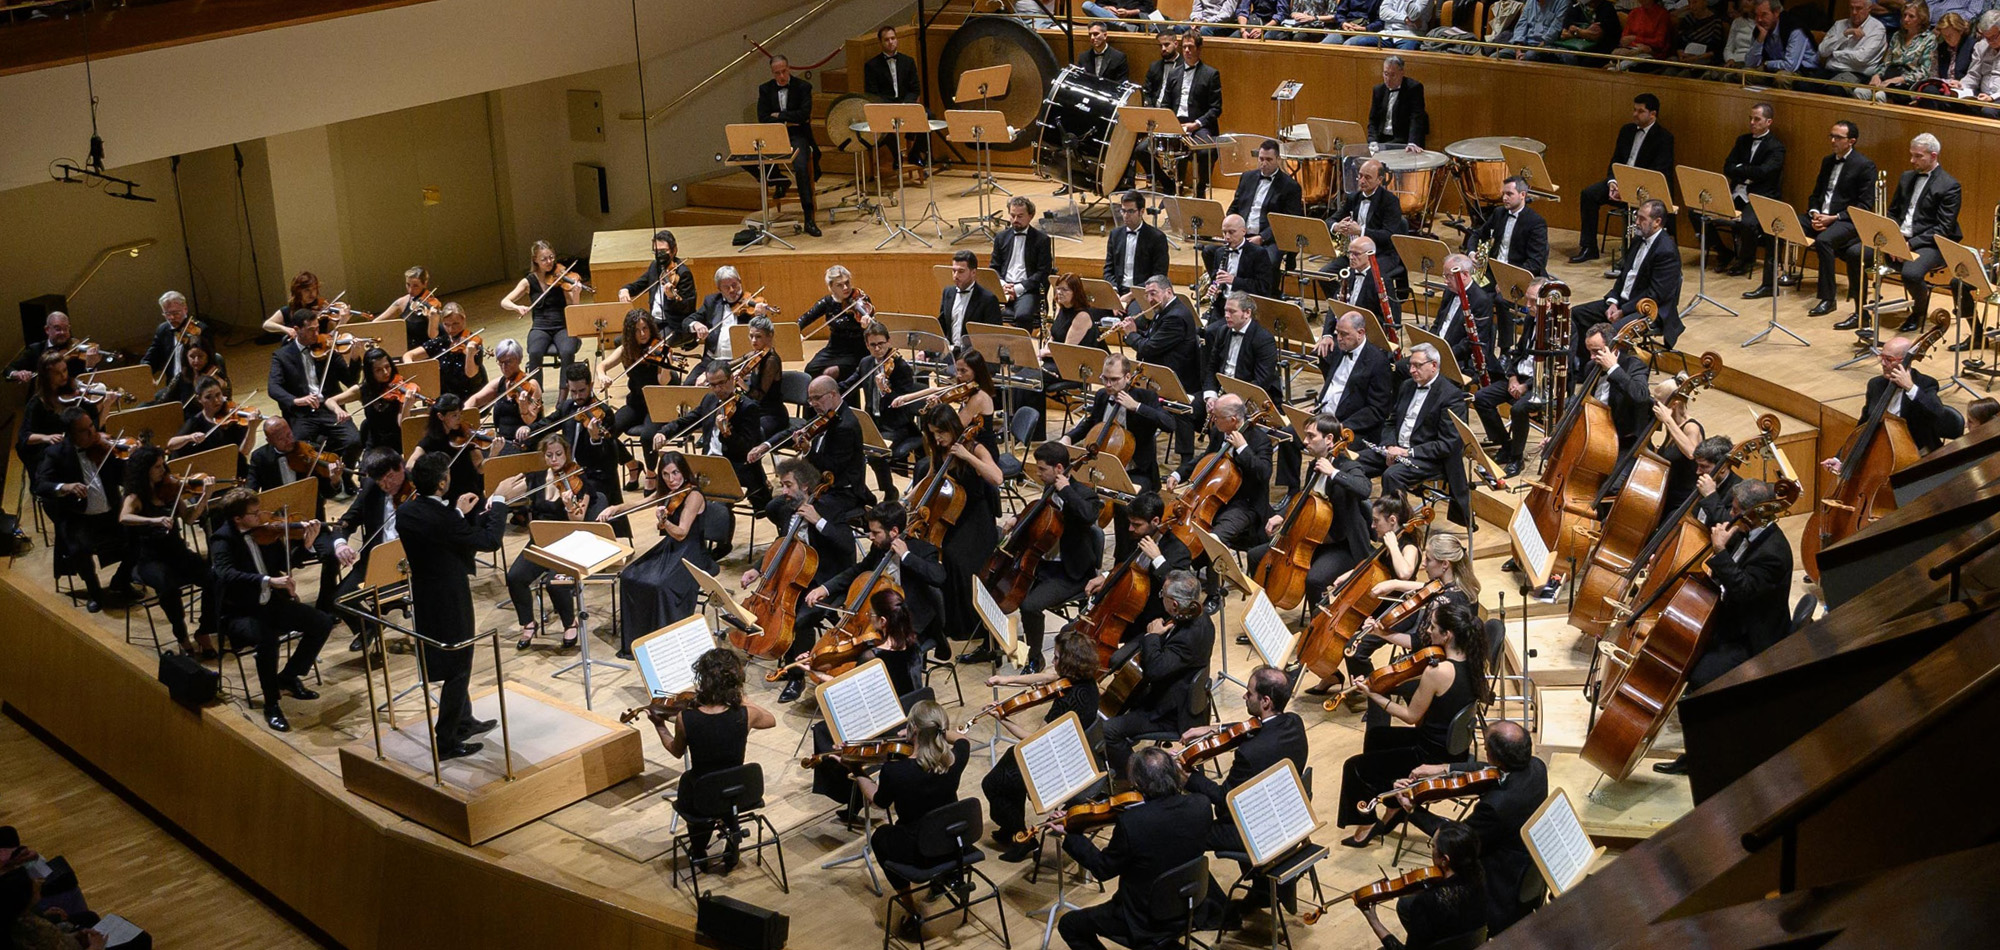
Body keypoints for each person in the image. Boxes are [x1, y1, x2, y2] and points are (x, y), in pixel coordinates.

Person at [1656, 479, 1794, 775]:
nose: (1730, 515)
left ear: (1753, 514)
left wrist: (1719, 553)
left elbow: (1743, 590)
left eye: (1735, 510)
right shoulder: (1751, 531)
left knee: (1700, 674)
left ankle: (1703, 758)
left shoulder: (1773, 552)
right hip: (1736, 621)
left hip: (1755, 640)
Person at [395, 453, 517, 758]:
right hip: (451, 598)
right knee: (458, 667)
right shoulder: (446, 519)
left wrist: (459, 513)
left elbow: (441, 534)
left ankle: (464, 720)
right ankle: (447, 739)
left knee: (450, 662)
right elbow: (489, 541)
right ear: (441, 483)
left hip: (425, 596)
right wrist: (500, 500)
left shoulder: (406, 512)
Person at [1338, 600, 1487, 844]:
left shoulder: (1438, 672)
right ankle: (1393, 800)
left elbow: (1411, 717)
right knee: (1378, 737)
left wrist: (1373, 695)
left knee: (1354, 766)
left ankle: (1368, 823)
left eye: (1433, 627)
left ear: (1447, 635)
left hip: (1430, 755)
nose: (1428, 630)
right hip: (1453, 748)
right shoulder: (1474, 659)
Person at [1056, 745, 1219, 950]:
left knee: (1070, 925)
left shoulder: (1132, 823)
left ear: (1138, 783)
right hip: (1188, 904)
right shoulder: (1201, 805)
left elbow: (1102, 869)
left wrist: (1072, 834)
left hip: (1143, 919)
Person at [1393, 722, 1548, 934]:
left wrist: (1413, 810)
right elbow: (1488, 770)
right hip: (1528, 873)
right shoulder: (1537, 768)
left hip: (1499, 888)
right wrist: (1445, 768)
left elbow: (1455, 841)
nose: (1485, 753)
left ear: (1495, 758)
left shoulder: (1495, 806)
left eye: (1486, 749)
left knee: (1409, 906)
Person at [207, 488, 336, 732]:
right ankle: (271, 704)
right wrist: (267, 581)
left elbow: (285, 563)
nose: (261, 516)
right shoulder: (222, 540)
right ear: (238, 518)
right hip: (240, 613)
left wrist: (306, 545)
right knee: (268, 640)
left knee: (322, 622)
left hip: (271, 604)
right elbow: (226, 574)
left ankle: (287, 677)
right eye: (254, 513)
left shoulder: (265, 533)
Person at [650, 648, 776, 872]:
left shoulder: (685, 718)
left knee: (691, 782)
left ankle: (699, 851)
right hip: (741, 791)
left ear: (703, 680)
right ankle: (732, 844)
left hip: (702, 795)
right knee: (726, 791)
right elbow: (771, 720)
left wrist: (660, 726)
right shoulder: (747, 714)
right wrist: (743, 699)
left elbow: (675, 750)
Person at [982, 630, 1104, 859]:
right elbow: (1046, 677)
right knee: (1009, 769)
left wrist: (1002, 718)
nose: (1053, 662)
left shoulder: (1068, 701)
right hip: (1073, 750)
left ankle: (1022, 838)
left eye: (1056, 658)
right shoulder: (1086, 681)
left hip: (1055, 761)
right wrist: (1007, 680)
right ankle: (1012, 829)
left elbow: (1032, 740)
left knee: (992, 783)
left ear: (1068, 663)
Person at [859, 700, 971, 941]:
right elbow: (962, 740)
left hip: (920, 850)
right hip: (953, 844)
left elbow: (878, 800)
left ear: (914, 730)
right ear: (941, 729)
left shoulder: (895, 772)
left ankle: (912, 909)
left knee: (881, 836)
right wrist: (929, 732)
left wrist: (857, 774)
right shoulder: (955, 761)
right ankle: (945, 878)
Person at [1183, 665, 1310, 866]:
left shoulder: (1249, 753)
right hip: (1290, 817)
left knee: (1186, 835)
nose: (1244, 696)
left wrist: (1189, 777)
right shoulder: (1294, 722)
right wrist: (1215, 729)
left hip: (1259, 831)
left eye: (1250, 693)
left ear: (1265, 701)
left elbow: (1224, 798)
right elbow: (1257, 728)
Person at [1841, 133, 1966, 335]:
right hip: (1898, 238)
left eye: (1918, 156)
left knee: (1912, 273)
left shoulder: (1950, 185)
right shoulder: (1906, 177)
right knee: (1855, 253)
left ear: (1933, 156)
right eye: (1911, 155)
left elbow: (1943, 228)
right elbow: (1893, 212)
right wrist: (1892, 239)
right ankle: (1860, 311)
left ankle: (1918, 313)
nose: (1912, 161)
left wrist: (1909, 244)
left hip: (1931, 243)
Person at [1251, 412, 1378, 610]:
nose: (1305, 441)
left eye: (1311, 436)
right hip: (1310, 538)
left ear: (1329, 439)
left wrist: (1334, 473)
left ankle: (1315, 633)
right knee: (1256, 556)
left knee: (1314, 580)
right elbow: (1304, 498)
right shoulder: (1313, 466)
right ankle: (1263, 616)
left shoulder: (1348, 466)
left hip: (1341, 544)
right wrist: (1281, 515)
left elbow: (1364, 489)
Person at [1101, 570, 1214, 776]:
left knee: (1110, 730)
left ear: (1175, 604)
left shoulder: (1188, 636)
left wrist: (1152, 636)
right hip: (1178, 692)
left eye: (1163, 594)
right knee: (1122, 697)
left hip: (1172, 712)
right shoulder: (1200, 616)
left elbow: (1155, 670)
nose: (1160, 597)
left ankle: (1137, 778)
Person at [1345, 533, 1480, 705]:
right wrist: (1395, 584)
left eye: (1428, 559)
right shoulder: (1467, 588)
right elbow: (1428, 588)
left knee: (1379, 684)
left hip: (1440, 670)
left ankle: (1377, 728)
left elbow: (1417, 643)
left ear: (1445, 564)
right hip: (1465, 666)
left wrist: (1381, 632)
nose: (1423, 565)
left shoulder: (1441, 602)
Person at [806, 500, 948, 660]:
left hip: (910, 623)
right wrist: (824, 588)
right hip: (879, 619)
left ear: (894, 531)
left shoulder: (922, 550)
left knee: (870, 657)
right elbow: (858, 570)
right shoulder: (879, 548)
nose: (870, 536)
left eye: (875, 532)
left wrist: (906, 556)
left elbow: (938, 576)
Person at [504, 435, 607, 653]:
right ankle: (528, 623)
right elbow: (508, 493)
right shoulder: (538, 478)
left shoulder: (578, 480)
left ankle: (570, 623)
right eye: (549, 455)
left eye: (559, 454)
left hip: (570, 543)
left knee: (554, 582)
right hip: (541, 542)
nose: (554, 459)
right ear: (543, 456)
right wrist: (498, 496)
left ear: (566, 453)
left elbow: (578, 520)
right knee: (515, 577)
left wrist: (569, 505)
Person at [1006, 443, 1104, 671]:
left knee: (1030, 605)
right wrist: (1018, 519)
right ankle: (1010, 647)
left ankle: (1034, 657)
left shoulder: (1084, 494)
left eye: (1042, 469)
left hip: (1071, 572)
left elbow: (1089, 516)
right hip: (1043, 565)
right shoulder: (1047, 488)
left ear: (1059, 468)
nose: (1037, 474)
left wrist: (1067, 490)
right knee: (1013, 590)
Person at [120, 447, 219, 657]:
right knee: (169, 588)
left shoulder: (169, 491)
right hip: (150, 559)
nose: (162, 469)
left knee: (214, 579)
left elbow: (190, 518)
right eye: (157, 466)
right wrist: (153, 520)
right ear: (144, 470)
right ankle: (182, 636)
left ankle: (204, 631)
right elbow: (124, 517)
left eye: (162, 464)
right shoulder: (135, 497)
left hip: (177, 552)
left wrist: (204, 498)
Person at [36, 409, 132, 612]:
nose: (93, 434)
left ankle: (121, 581)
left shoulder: (104, 448)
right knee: (79, 550)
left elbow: (122, 477)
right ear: (71, 435)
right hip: (78, 518)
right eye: (85, 431)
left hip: (110, 514)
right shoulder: (56, 454)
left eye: (92, 427)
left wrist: (132, 459)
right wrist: (65, 487)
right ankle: (94, 592)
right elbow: (41, 485)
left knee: (140, 536)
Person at [749, 375, 873, 527]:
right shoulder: (825, 415)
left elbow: (831, 468)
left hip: (840, 491)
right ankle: (795, 540)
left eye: (817, 398)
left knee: (797, 511)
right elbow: (795, 430)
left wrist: (808, 451)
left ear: (832, 395)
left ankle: (809, 544)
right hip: (818, 486)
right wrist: (765, 445)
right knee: (773, 507)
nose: (813, 404)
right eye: (810, 399)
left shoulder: (845, 426)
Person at [267, 306, 361, 496]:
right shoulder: (282, 356)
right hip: (302, 413)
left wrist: (356, 357)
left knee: (354, 440)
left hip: (328, 408)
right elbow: (273, 388)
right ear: (297, 329)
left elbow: (350, 380)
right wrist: (296, 400)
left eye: (318, 328)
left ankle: (344, 475)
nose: (317, 333)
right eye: (311, 330)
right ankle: (318, 484)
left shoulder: (328, 347)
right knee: (298, 447)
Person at [1572, 93, 1677, 264]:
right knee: (1589, 194)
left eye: (1640, 111)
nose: (1635, 114)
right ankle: (1589, 247)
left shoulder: (1664, 137)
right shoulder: (1626, 130)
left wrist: (1629, 188)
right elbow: (1615, 161)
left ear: (1653, 114)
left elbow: (1659, 172)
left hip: (1645, 190)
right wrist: (1613, 183)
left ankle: (1633, 255)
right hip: (1620, 185)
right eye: (1634, 110)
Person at [1570, 199, 1685, 351]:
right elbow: (1624, 276)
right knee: (1577, 314)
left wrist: (1623, 311)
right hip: (1624, 303)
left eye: (1642, 219)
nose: (1636, 222)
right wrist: (1613, 302)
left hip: (1649, 310)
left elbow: (1655, 295)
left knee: (1611, 334)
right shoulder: (1638, 240)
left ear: (1657, 222)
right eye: (1637, 216)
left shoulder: (1666, 251)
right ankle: (1584, 367)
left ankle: (1611, 371)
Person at [1353, 344, 1465, 499]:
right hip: (1395, 450)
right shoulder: (1407, 386)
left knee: (1392, 476)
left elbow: (1448, 444)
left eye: (1417, 365)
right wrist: (1390, 444)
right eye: (1410, 365)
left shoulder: (1451, 396)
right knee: (1352, 462)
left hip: (1425, 458)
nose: (1411, 370)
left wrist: (1407, 452)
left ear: (1433, 365)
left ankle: (1392, 521)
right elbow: (1391, 422)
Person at [1165, 393, 1272, 555]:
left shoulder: (1259, 439)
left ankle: (1214, 579)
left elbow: (1264, 474)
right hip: (1213, 498)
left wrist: (1243, 448)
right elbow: (1207, 458)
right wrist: (1178, 474)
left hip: (1244, 504)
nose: (1212, 420)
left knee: (1213, 539)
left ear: (1233, 420)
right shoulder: (1218, 431)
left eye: (1216, 416)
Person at [1825, 336, 1961, 459]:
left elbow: (1937, 413)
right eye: (1881, 357)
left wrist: (1910, 388)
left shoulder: (1925, 384)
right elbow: (1864, 426)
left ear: (1905, 360)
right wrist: (1840, 458)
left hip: (1917, 457)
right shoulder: (1876, 385)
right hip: (1883, 455)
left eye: (1889, 359)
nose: (1883, 363)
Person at [1359, 821, 1489, 948]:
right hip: (1473, 943)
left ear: (1444, 860)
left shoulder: (1426, 903)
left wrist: (1374, 921)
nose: (1431, 850)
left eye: (1432, 846)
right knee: (1405, 904)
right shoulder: (1480, 874)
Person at [328, 447, 408, 653]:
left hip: (412, 561)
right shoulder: (373, 489)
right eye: (381, 481)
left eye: (390, 477)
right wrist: (340, 544)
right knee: (339, 600)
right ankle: (369, 627)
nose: (386, 485)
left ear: (401, 466)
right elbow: (346, 521)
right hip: (376, 561)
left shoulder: (419, 486)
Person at [1119, 275, 1205, 459]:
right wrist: (1135, 331)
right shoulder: (1164, 310)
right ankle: (1135, 448)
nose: (1150, 299)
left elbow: (1149, 348)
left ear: (1168, 292)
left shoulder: (1175, 316)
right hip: (1163, 374)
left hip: (1179, 380)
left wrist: (1131, 335)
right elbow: (1153, 338)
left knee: (1173, 407)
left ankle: (1182, 463)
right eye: (1147, 295)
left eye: (1153, 293)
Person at [1800, 120, 1879, 317]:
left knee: (1824, 241)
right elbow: (1816, 194)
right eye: (1831, 136)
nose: (1832, 140)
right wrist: (1814, 213)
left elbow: (1864, 205)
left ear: (1851, 141)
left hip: (1846, 220)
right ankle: (1771, 282)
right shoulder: (1828, 161)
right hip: (1821, 216)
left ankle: (1828, 299)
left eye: (1838, 137)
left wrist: (1832, 218)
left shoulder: (1865, 165)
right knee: (1782, 222)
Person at [1713, 103, 1787, 296]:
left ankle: (1746, 260)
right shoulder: (1742, 140)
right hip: (1737, 192)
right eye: (1750, 118)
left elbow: (1764, 173)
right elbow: (1727, 167)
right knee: (1698, 212)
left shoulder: (1776, 147)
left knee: (1748, 223)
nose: (1752, 123)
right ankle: (1723, 252)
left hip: (1759, 197)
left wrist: (1740, 168)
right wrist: (1746, 170)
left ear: (1768, 122)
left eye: (1757, 119)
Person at [598, 308, 671, 482]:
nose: (643, 334)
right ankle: (632, 464)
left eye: (645, 328)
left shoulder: (661, 349)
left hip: (657, 405)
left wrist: (665, 363)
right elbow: (602, 366)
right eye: (638, 331)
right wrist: (602, 376)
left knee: (647, 436)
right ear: (631, 333)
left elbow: (664, 382)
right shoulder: (626, 350)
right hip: (636, 404)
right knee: (605, 432)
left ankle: (652, 474)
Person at [753, 55, 822, 237]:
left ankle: (809, 218)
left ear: (789, 68)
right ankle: (779, 179)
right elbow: (763, 117)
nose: (781, 76)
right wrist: (789, 118)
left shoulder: (803, 87)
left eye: (784, 71)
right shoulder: (765, 89)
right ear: (772, 73)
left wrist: (779, 116)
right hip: (774, 136)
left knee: (800, 167)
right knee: (749, 159)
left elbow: (804, 115)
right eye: (777, 73)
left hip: (798, 135)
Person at [499, 240, 585, 384]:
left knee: (567, 352)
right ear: (535, 260)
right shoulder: (528, 281)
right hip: (540, 327)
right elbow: (504, 302)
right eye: (544, 259)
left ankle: (563, 395)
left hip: (563, 326)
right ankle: (536, 393)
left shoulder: (560, 278)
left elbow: (573, 306)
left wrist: (576, 293)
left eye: (551, 257)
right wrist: (517, 307)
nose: (549, 262)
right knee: (535, 353)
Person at [1312, 310, 1397, 446]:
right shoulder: (1338, 348)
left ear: (1360, 333)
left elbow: (1377, 410)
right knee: (1290, 436)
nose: (1339, 338)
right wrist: (1315, 408)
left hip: (1350, 428)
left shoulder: (1378, 362)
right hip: (1323, 419)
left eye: (1344, 334)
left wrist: (1343, 426)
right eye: (1337, 332)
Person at [1157, 32, 1223, 197]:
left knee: (1204, 151)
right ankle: (1169, 185)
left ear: (1199, 49)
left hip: (1199, 125)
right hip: (1176, 123)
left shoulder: (1211, 74)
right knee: (1143, 149)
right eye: (1184, 47)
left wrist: (1197, 124)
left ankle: (1200, 189)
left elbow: (1216, 108)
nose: (1187, 50)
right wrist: (1170, 123)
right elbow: (1165, 104)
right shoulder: (1174, 73)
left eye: (1191, 47)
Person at [1225, 140, 1305, 271]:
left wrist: (1262, 237)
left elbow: (1288, 221)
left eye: (1269, 159)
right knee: (1210, 252)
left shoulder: (1290, 186)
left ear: (1278, 159)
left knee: (1269, 261)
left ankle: (1267, 291)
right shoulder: (1247, 177)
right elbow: (1235, 207)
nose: (1264, 163)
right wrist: (1231, 229)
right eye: (1261, 159)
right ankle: (1223, 289)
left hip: (1270, 240)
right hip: (1241, 235)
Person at [1330, 161, 1411, 281]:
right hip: (1355, 253)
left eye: (1367, 177)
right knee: (1326, 274)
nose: (1362, 181)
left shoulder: (1390, 201)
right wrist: (1337, 226)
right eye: (1360, 175)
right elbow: (1330, 220)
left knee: (1363, 276)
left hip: (1381, 254)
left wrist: (1360, 231)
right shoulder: (1353, 197)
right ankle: (1345, 298)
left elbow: (1388, 235)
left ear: (1379, 179)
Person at [1201, 292, 1281, 413]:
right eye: (1225, 311)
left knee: (1221, 425)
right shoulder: (1222, 331)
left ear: (1247, 313)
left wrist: (1229, 400)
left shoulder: (1263, 338)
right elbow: (1212, 367)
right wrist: (1211, 396)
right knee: (1188, 411)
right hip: (1221, 392)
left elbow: (1261, 381)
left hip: (1249, 399)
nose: (1227, 316)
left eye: (1232, 312)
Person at [798, 264, 875, 386]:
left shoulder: (861, 300)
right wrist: (797, 334)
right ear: (831, 287)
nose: (846, 288)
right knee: (810, 370)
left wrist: (866, 327)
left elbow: (874, 329)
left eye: (847, 283)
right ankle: (814, 403)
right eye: (839, 285)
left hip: (856, 350)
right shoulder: (827, 302)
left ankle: (834, 401)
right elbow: (804, 318)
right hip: (834, 349)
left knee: (830, 372)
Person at [1426, 254, 1496, 380]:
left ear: (1464, 275)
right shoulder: (1449, 291)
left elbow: (1471, 342)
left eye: (1449, 276)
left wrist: (1445, 353)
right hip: (1437, 352)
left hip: (1457, 358)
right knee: (1401, 368)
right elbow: (1438, 323)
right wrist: (1429, 344)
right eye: (1444, 276)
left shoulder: (1481, 300)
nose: (1445, 281)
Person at [863, 26, 926, 166]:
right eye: (886, 40)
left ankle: (914, 154)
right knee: (880, 128)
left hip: (905, 105)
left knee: (929, 116)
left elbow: (915, 89)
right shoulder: (871, 66)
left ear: (897, 40)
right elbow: (872, 93)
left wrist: (906, 104)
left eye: (893, 38)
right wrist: (891, 106)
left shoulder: (908, 61)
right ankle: (896, 156)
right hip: (886, 108)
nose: (890, 42)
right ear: (881, 43)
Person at [407, 393, 486, 503]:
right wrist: (434, 471)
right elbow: (410, 466)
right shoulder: (430, 441)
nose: (460, 418)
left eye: (460, 414)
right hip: (445, 497)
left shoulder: (465, 435)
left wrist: (493, 454)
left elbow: (480, 468)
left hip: (471, 494)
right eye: (454, 415)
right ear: (441, 416)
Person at [466, 339, 542, 453]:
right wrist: (464, 415)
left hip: (524, 442)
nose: (503, 367)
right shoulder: (500, 383)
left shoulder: (531, 385)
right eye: (500, 362)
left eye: (507, 362)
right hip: (502, 441)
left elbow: (530, 420)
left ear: (519, 359)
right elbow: (475, 399)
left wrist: (523, 407)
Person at [1464, 176, 1550, 278]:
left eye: (1509, 194)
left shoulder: (1536, 222)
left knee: (1494, 294)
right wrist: (1472, 253)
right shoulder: (1499, 213)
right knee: (1464, 286)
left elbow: (1534, 262)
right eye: (1503, 194)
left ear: (1522, 195)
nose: (1504, 198)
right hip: (1494, 272)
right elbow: (1477, 234)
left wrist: (1509, 280)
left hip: (1519, 275)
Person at [337, 347, 417, 454]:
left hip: (397, 445)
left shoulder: (399, 388)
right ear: (370, 372)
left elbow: (401, 424)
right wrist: (338, 410)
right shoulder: (363, 390)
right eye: (378, 370)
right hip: (374, 444)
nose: (385, 372)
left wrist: (406, 405)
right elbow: (330, 401)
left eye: (387, 367)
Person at [618, 229, 698, 337]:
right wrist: (625, 290)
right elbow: (639, 284)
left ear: (674, 250)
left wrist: (671, 298)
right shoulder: (655, 267)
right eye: (656, 252)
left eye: (663, 251)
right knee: (623, 340)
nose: (659, 255)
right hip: (653, 322)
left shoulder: (683, 273)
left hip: (673, 324)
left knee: (650, 345)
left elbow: (688, 307)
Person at [993, 197, 1056, 330]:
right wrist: (1004, 285)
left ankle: (1022, 350)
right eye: (1012, 215)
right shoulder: (1001, 238)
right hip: (1003, 287)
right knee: (980, 308)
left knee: (1023, 315)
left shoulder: (1042, 240)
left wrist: (1017, 289)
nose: (1015, 220)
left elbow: (1043, 273)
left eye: (1020, 216)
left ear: (1030, 216)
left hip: (1028, 290)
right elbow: (994, 268)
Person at [1102, 192, 1173, 310]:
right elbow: (1108, 269)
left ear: (1142, 211)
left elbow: (1159, 275)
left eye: (1130, 211)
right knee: (1091, 312)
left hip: (1143, 292)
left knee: (1136, 317)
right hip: (1118, 290)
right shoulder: (1115, 235)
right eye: (1123, 211)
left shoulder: (1156, 237)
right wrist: (1114, 292)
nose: (1125, 215)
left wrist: (1131, 295)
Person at [167, 376, 256, 467]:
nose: (216, 401)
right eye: (208, 397)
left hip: (233, 466)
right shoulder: (195, 421)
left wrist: (252, 428)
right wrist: (189, 437)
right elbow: (171, 444)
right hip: (209, 469)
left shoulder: (233, 419)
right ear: (199, 399)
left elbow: (245, 451)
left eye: (218, 395)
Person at [1201, 218, 1276, 322]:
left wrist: (1234, 280)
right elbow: (1216, 279)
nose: (1227, 237)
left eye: (1232, 232)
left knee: (1213, 331)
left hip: (1244, 308)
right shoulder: (1220, 253)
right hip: (1222, 305)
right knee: (1205, 332)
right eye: (1224, 232)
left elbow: (1263, 287)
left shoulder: (1258, 254)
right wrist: (1215, 287)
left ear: (1243, 231)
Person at [142, 290, 215, 387]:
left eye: (176, 313)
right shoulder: (163, 330)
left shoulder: (200, 330)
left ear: (185, 309)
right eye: (167, 314)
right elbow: (150, 358)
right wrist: (146, 375)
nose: (171, 318)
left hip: (194, 384)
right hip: (172, 385)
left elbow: (211, 361)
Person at [7, 310, 102, 383]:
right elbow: (9, 369)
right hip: (43, 400)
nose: (63, 333)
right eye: (58, 329)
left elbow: (85, 380)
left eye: (66, 329)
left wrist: (90, 366)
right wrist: (17, 374)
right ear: (47, 329)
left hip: (71, 398)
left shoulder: (77, 351)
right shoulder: (36, 349)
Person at [1869, 0, 1936, 104]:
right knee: (1861, 92)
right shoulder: (1897, 36)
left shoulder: (1929, 39)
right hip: (1889, 78)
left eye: (1911, 16)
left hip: (1908, 84)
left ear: (1921, 19)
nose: (1906, 19)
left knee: (1879, 96)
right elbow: (1886, 63)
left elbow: (1925, 73)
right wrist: (1877, 75)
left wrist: (1900, 79)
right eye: (1904, 15)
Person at [935, 250, 1002, 350]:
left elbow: (993, 338)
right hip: (950, 352)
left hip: (973, 356)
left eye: (961, 271)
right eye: (954, 271)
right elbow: (942, 326)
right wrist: (927, 350)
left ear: (973, 272)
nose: (955, 276)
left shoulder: (988, 299)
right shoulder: (948, 292)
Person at [1818, 0, 1889, 93]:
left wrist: (1835, 54)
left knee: (1833, 90)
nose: (1854, 12)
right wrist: (1844, 35)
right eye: (1851, 8)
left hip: (1856, 73)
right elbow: (1822, 51)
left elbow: (1861, 58)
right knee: (1802, 84)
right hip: (1831, 70)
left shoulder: (1877, 28)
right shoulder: (1839, 24)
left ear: (1869, 9)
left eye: (1859, 8)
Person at [1744, 0, 1819, 79]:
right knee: (1745, 74)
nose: (1759, 20)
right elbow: (1749, 64)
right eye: (1756, 15)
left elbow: (1790, 66)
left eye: (1764, 15)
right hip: (1775, 69)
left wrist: (1766, 64)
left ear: (1776, 13)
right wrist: (1760, 38)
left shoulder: (1794, 28)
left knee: (1782, 78)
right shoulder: (1760, 30)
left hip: (1804, 71)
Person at [1366, 57, 1429, 150]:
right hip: (1381, 140)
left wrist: (1412, 142)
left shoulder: (1413, 88)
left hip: (1402, 141)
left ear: (1402, 73)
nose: (1388, 79)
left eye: (1393, 75)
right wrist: (1373, 141)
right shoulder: (1379, 90)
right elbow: (1373, 120)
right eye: (1386, 74)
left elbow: (1416, 118)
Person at [377, 266, 442, 351]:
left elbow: (433, 336)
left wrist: (433, 318)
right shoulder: (402, 302)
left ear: (425, 284)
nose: (410, 290)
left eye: (415, 286)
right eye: (408, 285)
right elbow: (377, 322)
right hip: (406, 348)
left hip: (426, 350)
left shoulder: (431, 305)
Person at [1082, 0, 1160, 31]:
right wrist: (1106, 8)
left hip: (1133, 22)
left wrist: (1129, 13)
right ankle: (1122, 25)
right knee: (1087, 5)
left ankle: (1125, 26)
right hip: (1109, 21)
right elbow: (1098, 4)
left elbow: (1149, 8)